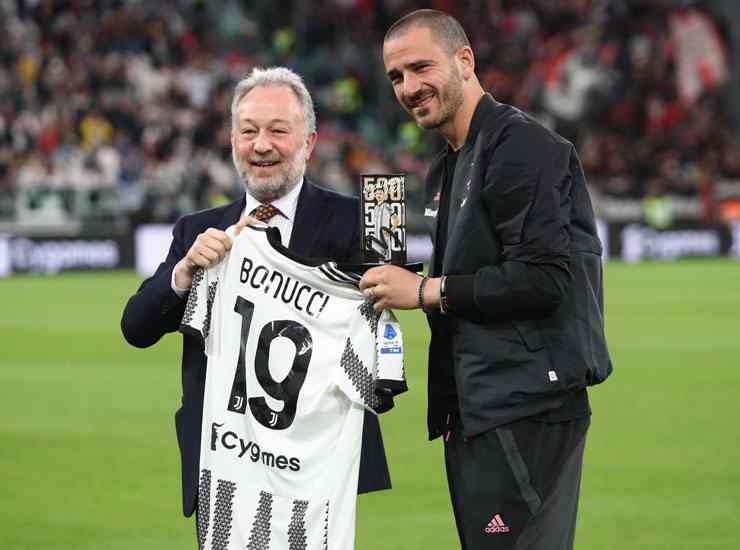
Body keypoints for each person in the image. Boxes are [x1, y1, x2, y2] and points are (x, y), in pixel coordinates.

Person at [360, 10, 613, 550]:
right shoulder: (447, 163)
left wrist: (427, 291)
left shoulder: (523, 147)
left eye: (420, 67)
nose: (408, 87)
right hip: (476, 406)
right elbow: (478, 272)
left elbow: (544, 278)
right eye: (396, 77)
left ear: (464, 60)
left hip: (526, 407)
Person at [121, 67, 392, 525]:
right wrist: (185, 270)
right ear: (232, 142)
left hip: (319, 467)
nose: (261, 145)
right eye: (248, 131)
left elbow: (388, 329)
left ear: (308, 142)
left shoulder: (362, 221)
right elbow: (136, 327)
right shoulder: (198, 230)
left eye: (277, 131)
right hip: (224, 465)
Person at [367, 186, 401, 262]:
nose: (378, 195)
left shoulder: (386, 206)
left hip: (384, 235)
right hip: (376, 235)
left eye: (381, 193)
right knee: (379, 259)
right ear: (375, 195)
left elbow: (397, 219)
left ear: (384, 195)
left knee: (386, 259)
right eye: (377, 194)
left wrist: (391, 230)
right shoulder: (375, 207)